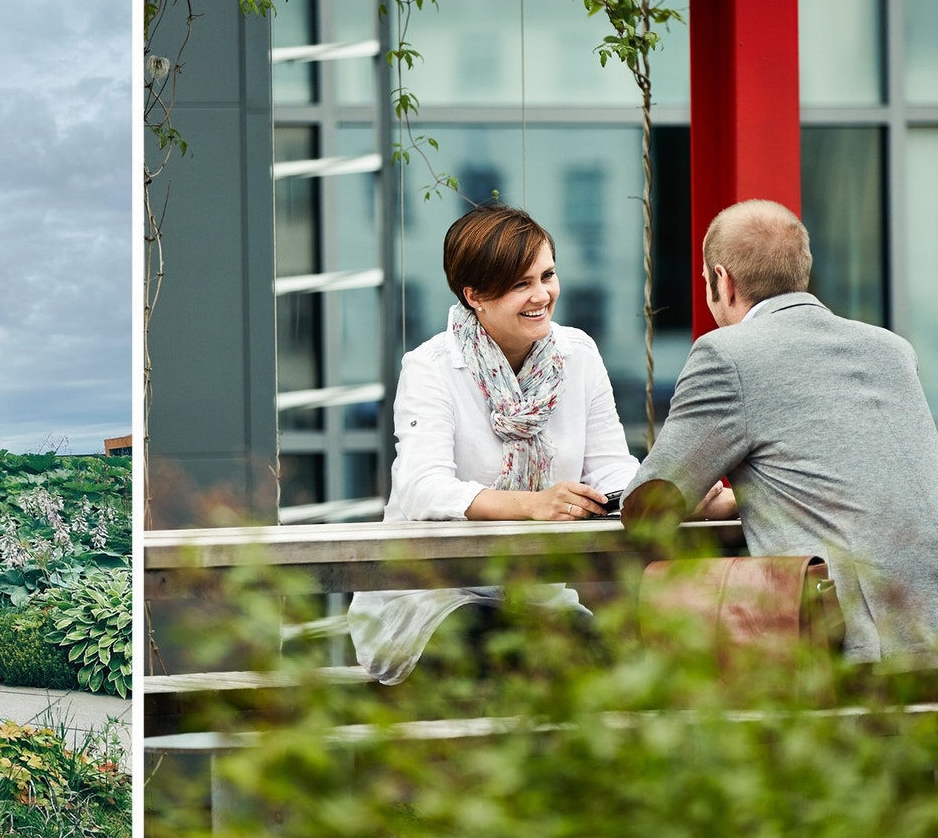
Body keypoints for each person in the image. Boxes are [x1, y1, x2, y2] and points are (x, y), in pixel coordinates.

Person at [622, 198, 938, 666]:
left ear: (721, 282)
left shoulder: (727, 355)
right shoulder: (889, 348)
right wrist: (748, 496)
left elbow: (649, 508)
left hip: (852, 641)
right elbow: (854, 474)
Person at [349, 204, 641, 683]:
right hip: (433, 597)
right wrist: (533, 505)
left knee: (608, 669)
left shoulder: (578, 354)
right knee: (506, 655)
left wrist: (666, 487)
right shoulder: (431, 367)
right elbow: (423, 490)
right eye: (520, 284)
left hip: (536, 595)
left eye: (547, 275)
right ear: (475, 295)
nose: (542, 295)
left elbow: (611, 468)